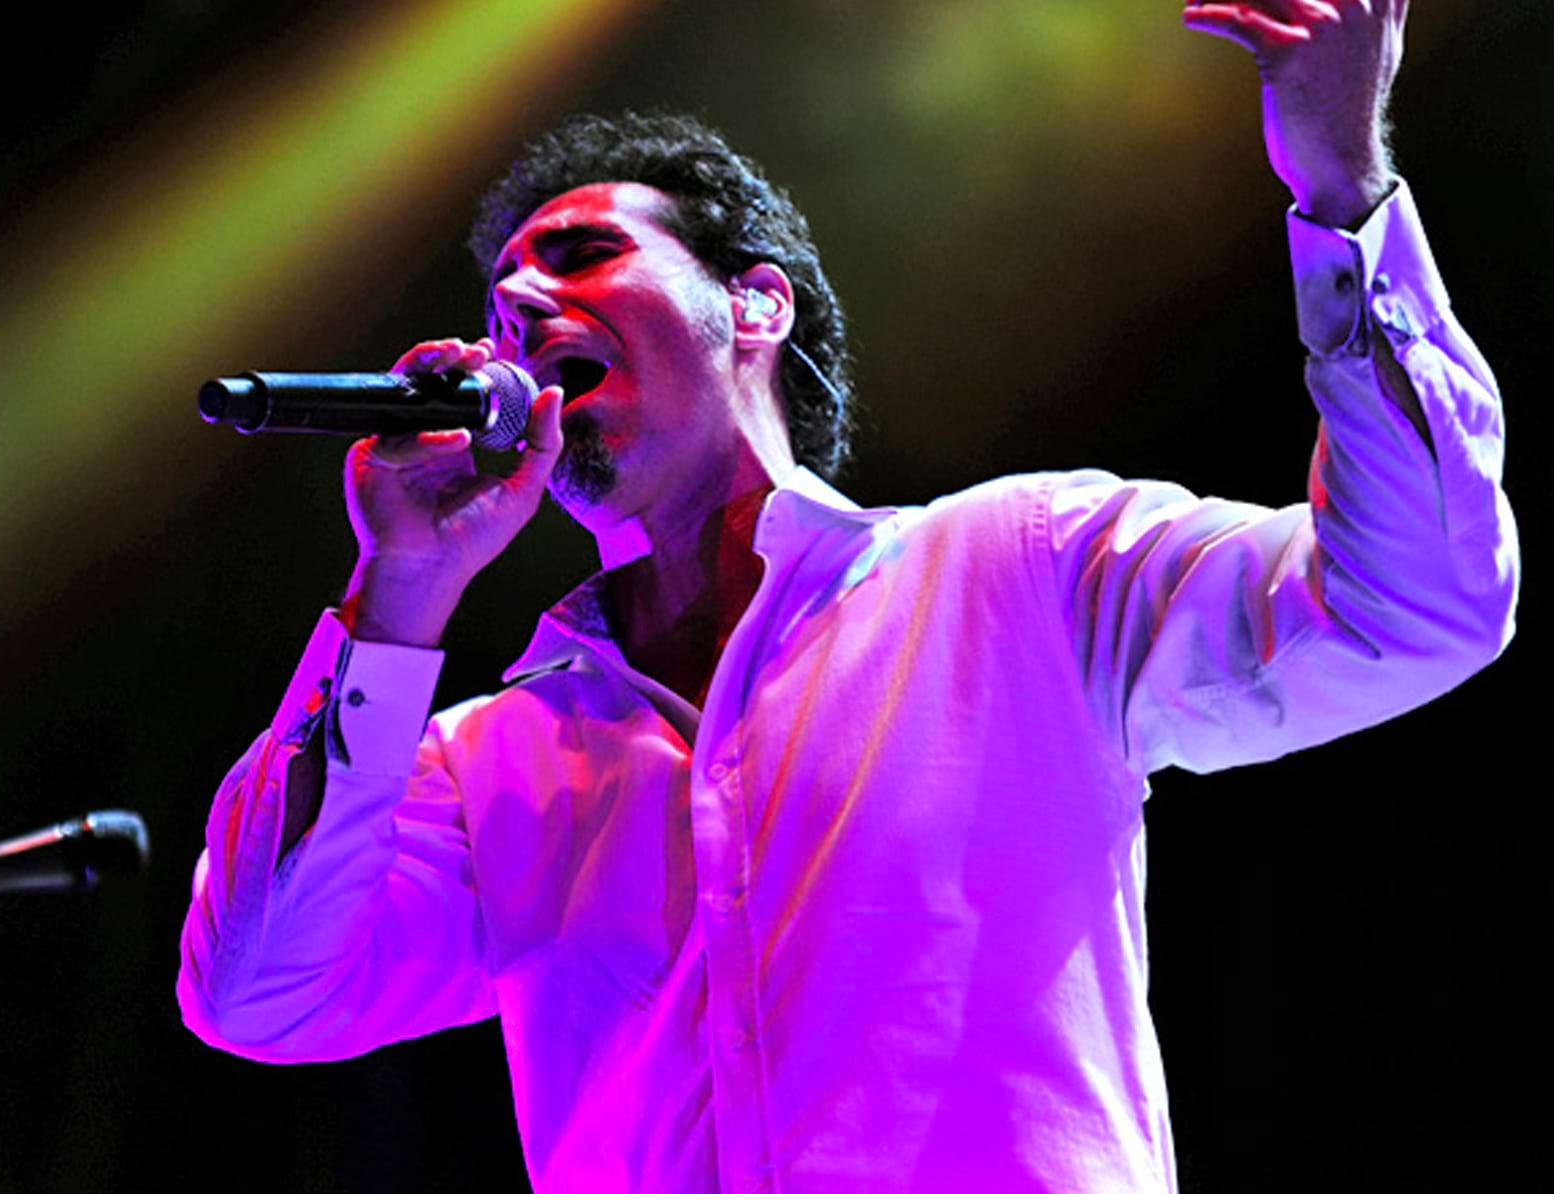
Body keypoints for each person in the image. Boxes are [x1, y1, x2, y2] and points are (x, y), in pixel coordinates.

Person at [179, 3, 1517, 1190]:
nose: (518, 304)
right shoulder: (490, 765)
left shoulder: (1017, 569)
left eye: (579, 254)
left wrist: (1344, 191)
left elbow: (1414, 604)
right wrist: (401, 585)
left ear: (754, 306)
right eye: (501, 293)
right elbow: (255, 994)